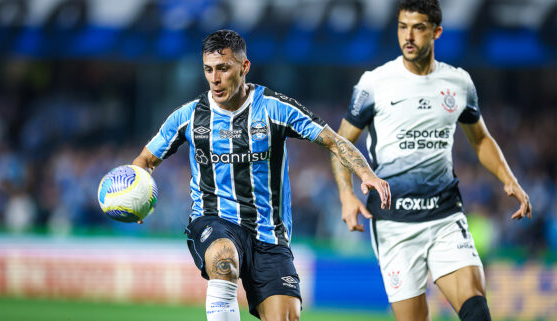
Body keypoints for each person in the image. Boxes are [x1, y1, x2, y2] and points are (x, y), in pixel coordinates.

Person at [132, 29, 391, 321]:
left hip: (269, 234)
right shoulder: (188, 117)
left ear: (244, 67)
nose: (215, 79)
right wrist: (138, 195)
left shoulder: (273, 108)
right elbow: (145, 160)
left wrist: (366, 173)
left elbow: (333, 140)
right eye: (208, 69)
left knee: (286, 317)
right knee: (223, 259)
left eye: (223, 68)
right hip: (215, 219)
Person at [330, 1, 532, 321]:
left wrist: (509, 179)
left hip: (444, 217)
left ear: (436, 32)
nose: (408, 36)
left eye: (418, 28)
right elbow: (340, 143)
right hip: (395, 224)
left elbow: (480, 138)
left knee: (477, 310)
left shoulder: (458, 83)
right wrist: (345, 194)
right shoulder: (375, 83)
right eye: (402, 27)